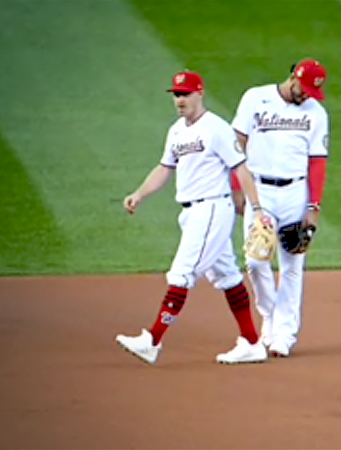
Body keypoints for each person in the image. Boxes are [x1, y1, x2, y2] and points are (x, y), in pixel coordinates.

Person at [115, 70, 272, 365]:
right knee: (227, 276)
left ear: (200, 93)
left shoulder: (217, 129)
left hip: (212, 209)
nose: (180, 100)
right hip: (190, 212)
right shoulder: (176, 131)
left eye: (185, 94)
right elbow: (164, 168)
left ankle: (153, 340)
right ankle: (252, 342)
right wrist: (140, 194)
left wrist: (258, 209)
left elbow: (241, 168)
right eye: (176, 94)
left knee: (182, 273)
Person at [229, 59, 330, 358]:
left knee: (292, 264)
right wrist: (237, 188)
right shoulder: (255, 98)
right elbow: (237, 145)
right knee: (256, 259)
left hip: (295, 193)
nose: (307, 96)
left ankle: (284, 334)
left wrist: (314, 206)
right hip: (259, 190)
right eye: (305, 89)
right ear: (293, 77)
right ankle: (270, 314)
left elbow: (318, 161)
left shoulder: (316, 112)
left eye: (314, 92)